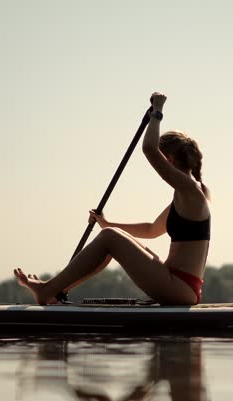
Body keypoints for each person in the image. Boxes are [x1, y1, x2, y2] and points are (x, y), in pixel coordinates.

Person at [14, 92, 211, 306]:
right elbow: (152, 229)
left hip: (180, 287)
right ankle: (54, 291)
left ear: (169, 160)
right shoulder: (185, 195)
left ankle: (47, 290)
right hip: (175, 281)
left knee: (110, 238)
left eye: (162, 162)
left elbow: (149, 149)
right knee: (111, 235)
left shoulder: (190, 190)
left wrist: (157, 112)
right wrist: (107, 224)